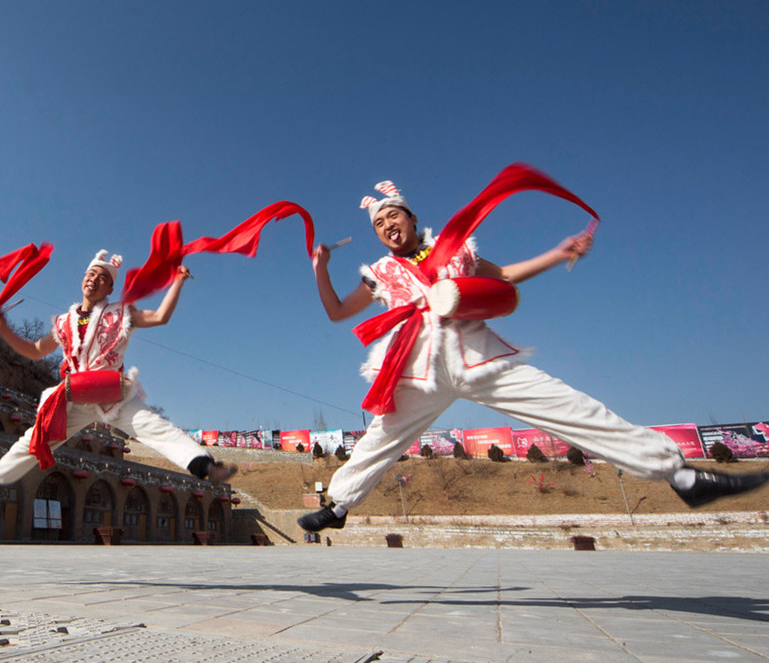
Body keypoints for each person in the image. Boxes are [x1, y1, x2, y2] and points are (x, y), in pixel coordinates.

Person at [298, 178, 768, 532]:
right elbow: (337, 312)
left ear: (412, 217)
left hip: (478, 357)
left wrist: (557, 253)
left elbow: (503, 276)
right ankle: (339, 504)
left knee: (569, 407)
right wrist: (321, 269)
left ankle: (680, 476)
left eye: (393, 216)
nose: (387, 226)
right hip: (420, 371)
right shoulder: (379, 272)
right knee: (381, 437)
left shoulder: (455, 249)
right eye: (379, 224)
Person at [0, 249, 235, 504]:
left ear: (110, 289)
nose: (94, 279)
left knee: (154, 426)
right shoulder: (64, 322)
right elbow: (35, 351)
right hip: (73, 396)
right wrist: (4, 330)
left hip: (112, 394)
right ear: (83, 279)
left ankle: (206, 466)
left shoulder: (122, 313)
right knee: (34, 440)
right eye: (91, 274)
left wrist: (178, 281)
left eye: (103, 278)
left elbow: (160, 316)